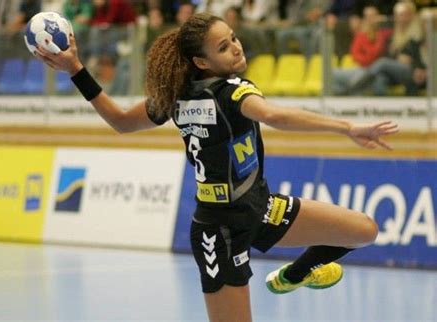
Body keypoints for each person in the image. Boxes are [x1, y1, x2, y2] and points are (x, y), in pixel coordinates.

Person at [35, 13, 399, 322]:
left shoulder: (180, 94)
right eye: (223, 47)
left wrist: (76, 69)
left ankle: (294, 275)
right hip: (218, 232)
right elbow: (274, 116)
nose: (236, 47)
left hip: (260, 208)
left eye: (234, 39)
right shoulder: (219, 93)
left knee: (362, 230)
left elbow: (120, 120)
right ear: (202, 63)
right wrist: (347, 127)